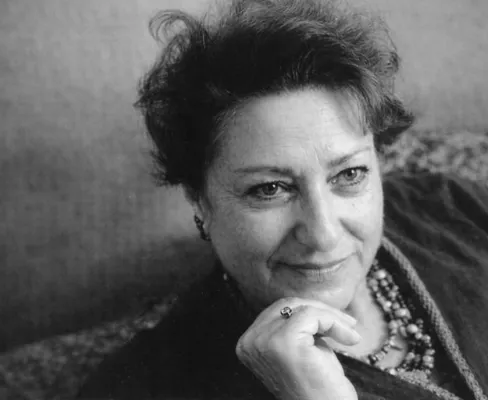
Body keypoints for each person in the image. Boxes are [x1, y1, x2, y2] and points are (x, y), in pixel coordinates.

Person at [78, 0, 488, 399]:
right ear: (199, 200)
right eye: (270, 189)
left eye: (349, 174)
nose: (324, 234)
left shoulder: (455, 208)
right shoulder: (140, 387)